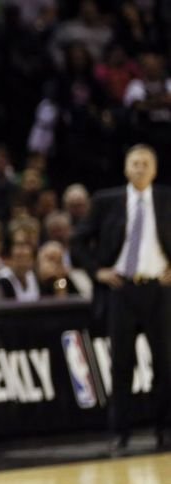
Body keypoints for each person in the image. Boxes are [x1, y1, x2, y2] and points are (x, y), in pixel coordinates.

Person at [71, 144, 171, 454]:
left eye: (145, 163)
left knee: (165, 363)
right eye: (135, 163)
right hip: (121, 290)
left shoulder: (166, 198)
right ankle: (119, 433)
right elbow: (77, 241)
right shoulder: (106, 201)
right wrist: (97, 271)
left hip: (159, 290)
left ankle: (165, 430)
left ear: (154, 169)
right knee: (121, 364)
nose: (140, 168)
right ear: (126, 168)